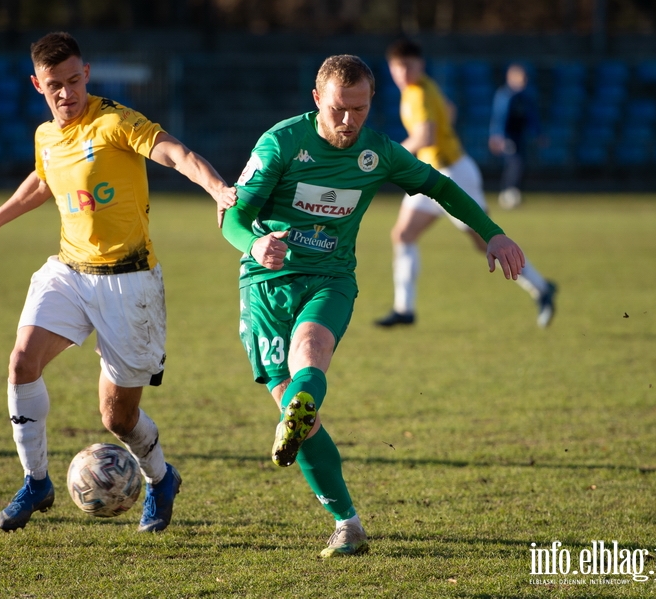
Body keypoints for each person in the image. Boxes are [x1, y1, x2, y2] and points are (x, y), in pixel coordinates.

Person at [222, 54, 526, 558]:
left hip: (331, 278)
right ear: (317, 99)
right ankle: (348, 523)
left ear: (371, 102)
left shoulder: (378, 152)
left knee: (311, 351)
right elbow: (234, 216)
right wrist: (253, 244)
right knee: (297, 408)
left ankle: (304, 413)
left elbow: (441, 186)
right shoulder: (281, 143)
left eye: (359, 109)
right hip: (266, 284)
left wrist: (491, 233)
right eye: (339, 109)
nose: (348, 121)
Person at [0, 31, 236, 533]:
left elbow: (174, 152)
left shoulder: (114, 122)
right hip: (69, 271)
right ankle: (36, 482)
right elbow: (43, 180)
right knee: (21, 363)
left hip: (130, 284)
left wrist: (217, 188)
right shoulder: (47, 135)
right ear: (36, 84)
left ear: (86, 73)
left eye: (72, 80)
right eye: (53, 86)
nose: (66, 93)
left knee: (118, 417)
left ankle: (160, 478)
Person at [376, 39, 557, 329]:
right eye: (399, 67)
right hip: (433, 173)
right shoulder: (422, 88)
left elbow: (426, 138)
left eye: (409, 66)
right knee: (403, 235)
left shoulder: (418, 93)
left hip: (452, 174)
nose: (404, 72)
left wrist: (386, 158)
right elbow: (449, 110)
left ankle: (542, 287)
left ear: (420, 64)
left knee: (487, 241)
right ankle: (404, 309)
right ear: (391, 69)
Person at [489, 63, 541, 209]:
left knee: (520, 163)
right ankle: (508, 192)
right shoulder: (505, 95)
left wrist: (538, 133)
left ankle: (514, 192)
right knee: (514, 163)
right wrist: (497, 137)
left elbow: (532, 117)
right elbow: (499, 118)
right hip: (508, 136)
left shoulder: (525, 96)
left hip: (520, 136)